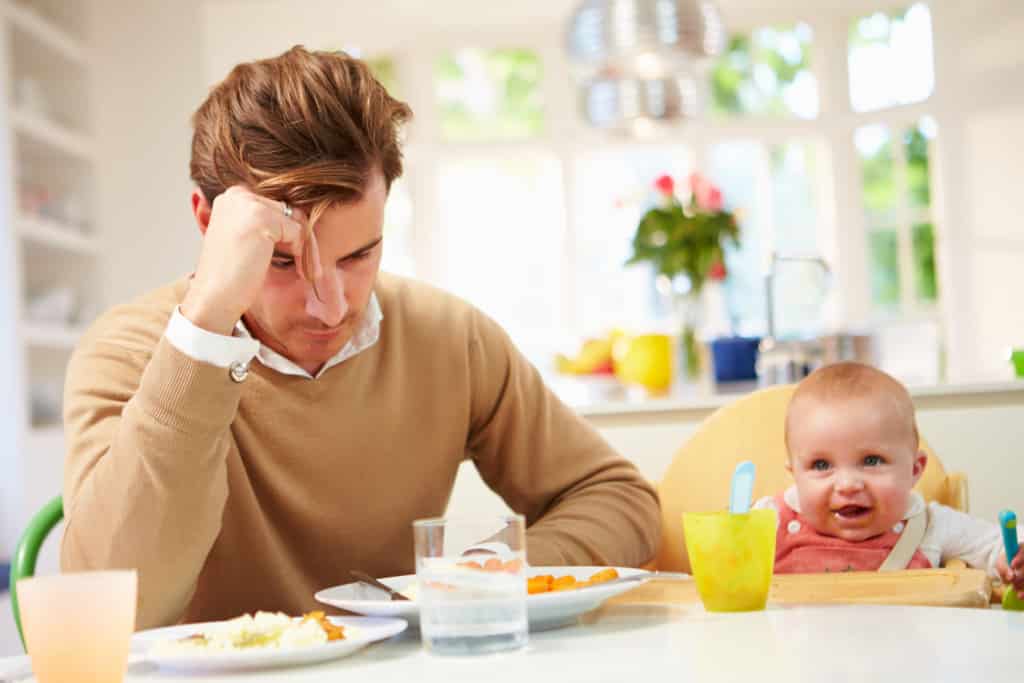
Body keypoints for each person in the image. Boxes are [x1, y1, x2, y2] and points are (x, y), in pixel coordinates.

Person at [60, 46, 661, 629]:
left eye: (359, 255)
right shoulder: (128, 353)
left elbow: (617, 497)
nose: (330, 307)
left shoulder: (448, 337)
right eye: (282, 262)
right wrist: (205, 331)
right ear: (206, 222)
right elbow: (115, 611)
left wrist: (493, 573)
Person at [753, 362, 1023, 598]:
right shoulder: (769, 523)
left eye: (872, 461)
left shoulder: (930, 526)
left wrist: (1014, 559)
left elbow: (997, 543)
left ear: (915, 470)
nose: (847, 484)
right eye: (821, 465)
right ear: (796, 476)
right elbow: (716, 562)